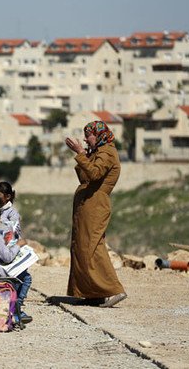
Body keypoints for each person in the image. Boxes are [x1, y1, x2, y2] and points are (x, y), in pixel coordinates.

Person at [64, 121, 127, 308]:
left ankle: (114, 289)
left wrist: (81, 154)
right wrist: (86, 155)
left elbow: (94, 174)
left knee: (93, 247)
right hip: (87, 206)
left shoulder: (107, 152)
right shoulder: (97, 153)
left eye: (88, 135)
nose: (85, 139)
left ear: (99, 135)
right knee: (81, 248)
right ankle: (92, 293)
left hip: (96, 206)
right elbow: (84, 177)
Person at [0, 181, 33, 323]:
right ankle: (16, 308)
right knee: (23, 278)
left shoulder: (12, 213)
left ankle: (18, 304)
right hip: (2, 251)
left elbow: (15, 232)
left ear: (8, 196)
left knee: (23, 275)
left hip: (10, 247)